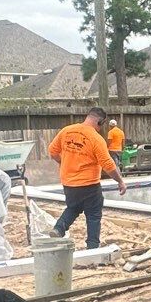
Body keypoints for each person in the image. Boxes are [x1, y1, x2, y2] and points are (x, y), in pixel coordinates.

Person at [47, 106, 125, 249]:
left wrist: (63, 162)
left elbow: (52, 151)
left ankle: (58, 228)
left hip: (69, 183)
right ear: (100, 122)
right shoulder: (96, 138)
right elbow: (108, 164)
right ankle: (92, 246)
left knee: (72, 208)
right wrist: (120, 181)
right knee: (93, 215)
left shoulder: (66, 131)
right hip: (89, 184)